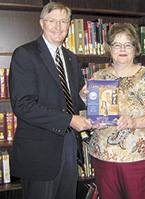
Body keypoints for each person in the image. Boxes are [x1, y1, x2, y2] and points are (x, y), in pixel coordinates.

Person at [9, 2, 93, 199]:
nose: (58, 27)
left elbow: (72, 103)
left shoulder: (71, 58)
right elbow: (23, 105)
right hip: (40, 151)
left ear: (69, 25)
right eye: (52, 21)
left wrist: (81, 97)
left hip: (69, 146)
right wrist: (69, 120)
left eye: (63, 21)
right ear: (42, 23)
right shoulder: (25, 54)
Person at [81, 23, 145, 199]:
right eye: (117, 44)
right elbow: (91, 113)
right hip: (104, 157)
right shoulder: (98, 76)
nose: (122, 49)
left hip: (140, 158)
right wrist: (85, 97)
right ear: (110, 48)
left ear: (135, 48)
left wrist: (134, 122)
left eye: (127, 44)